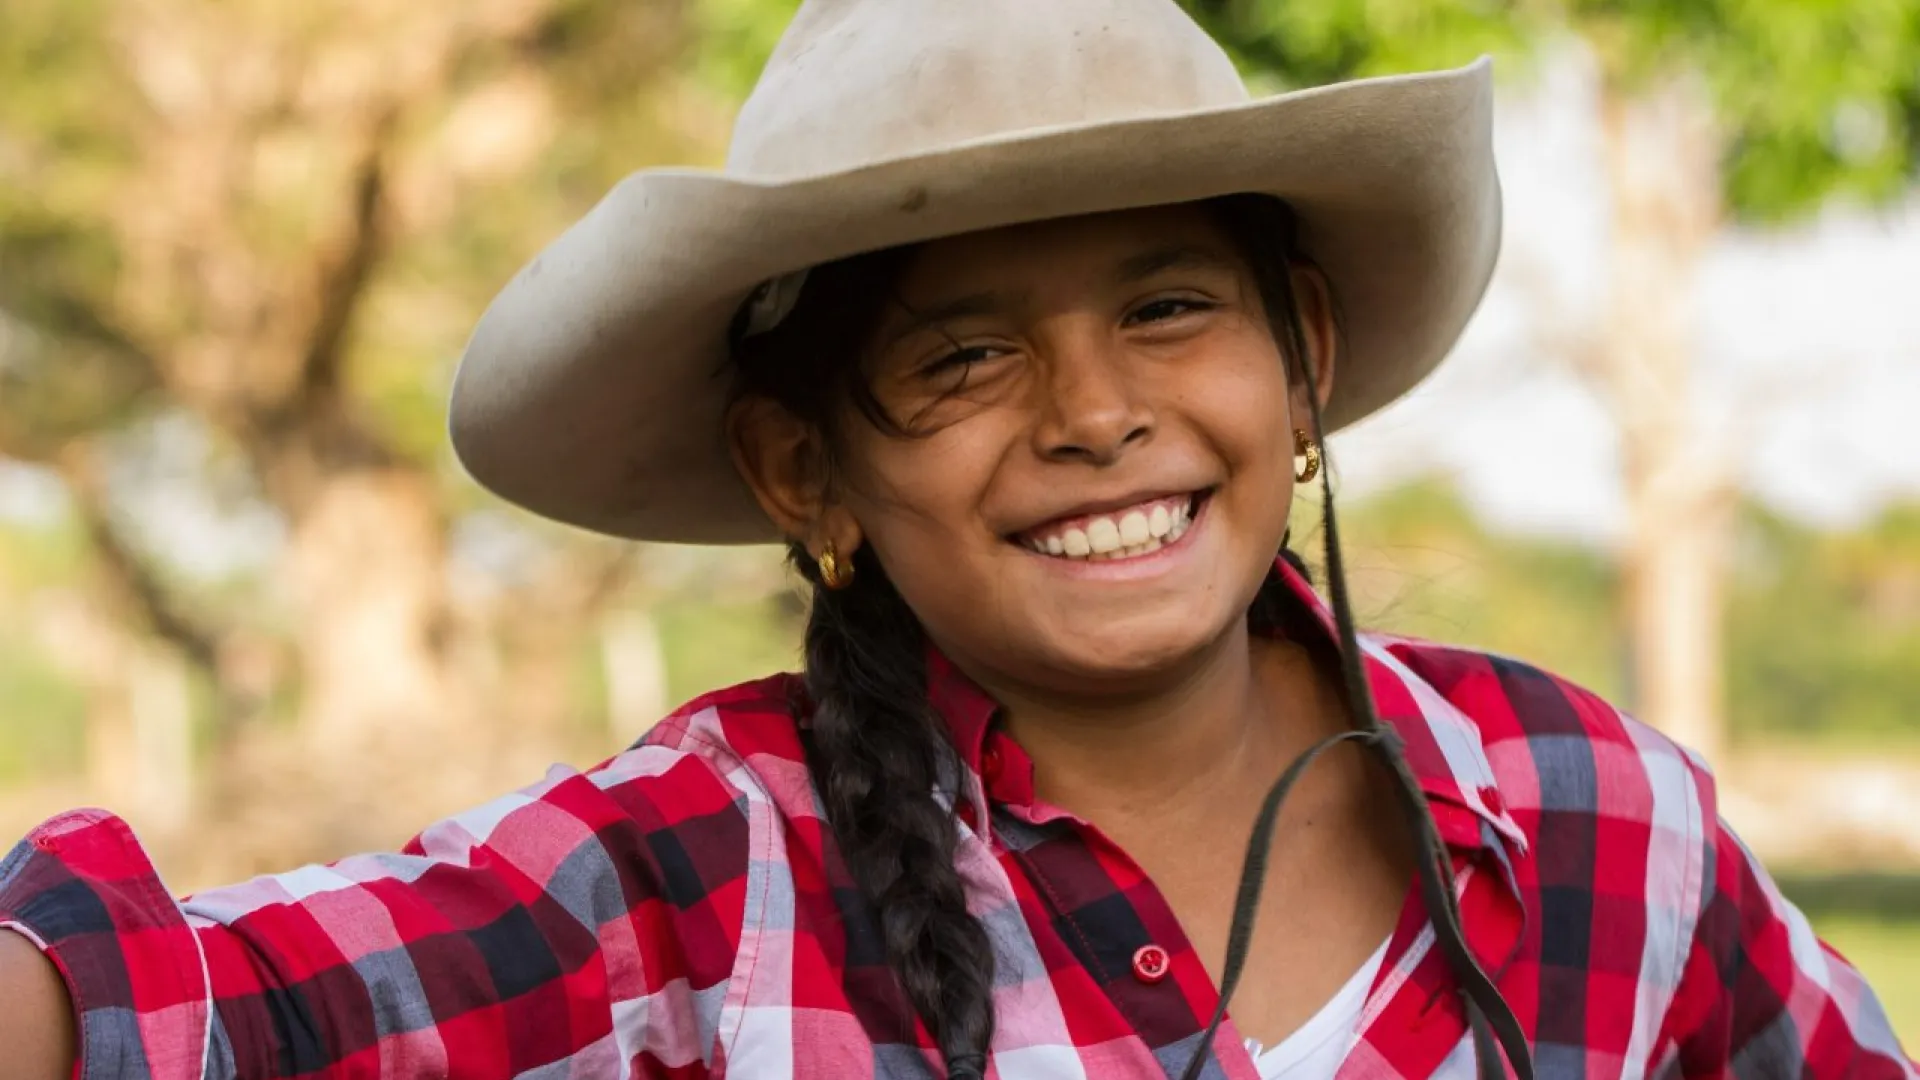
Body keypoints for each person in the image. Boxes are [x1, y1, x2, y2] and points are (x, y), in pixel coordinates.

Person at [1, 2, 1912, 1077]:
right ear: (799, 470)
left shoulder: (1591, 818)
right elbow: (226, 1006)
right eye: (964, 354)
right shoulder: (701, 873)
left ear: (1302, 357)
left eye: (1171, 308)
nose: (1093, 415)